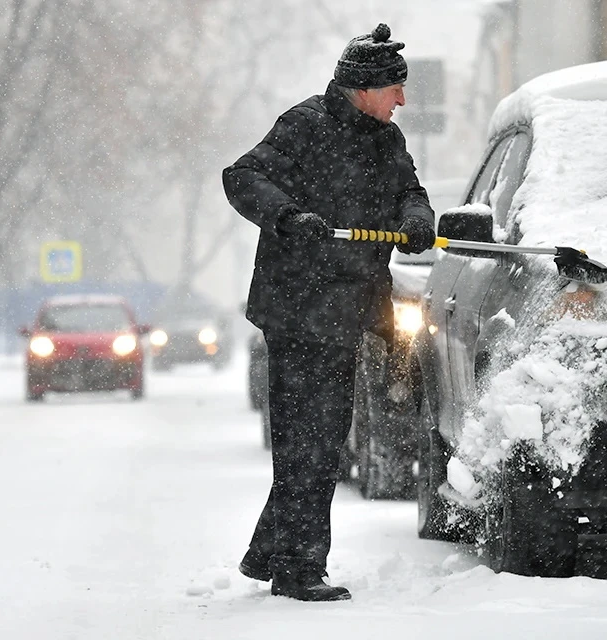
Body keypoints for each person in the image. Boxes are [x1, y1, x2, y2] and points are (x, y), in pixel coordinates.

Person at [221, 23, 435, 602]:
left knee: (321, 441)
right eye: (396, 87)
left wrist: (418, 221)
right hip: (297, 308)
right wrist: (289, 218)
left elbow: (410, 192)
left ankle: (273, 553)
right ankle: (298, 570)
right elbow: (241, 177)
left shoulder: (387, 142)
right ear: (364, 88)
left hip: (349, 310)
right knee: (307, 443)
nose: (403, 100)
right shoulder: (305, 126)